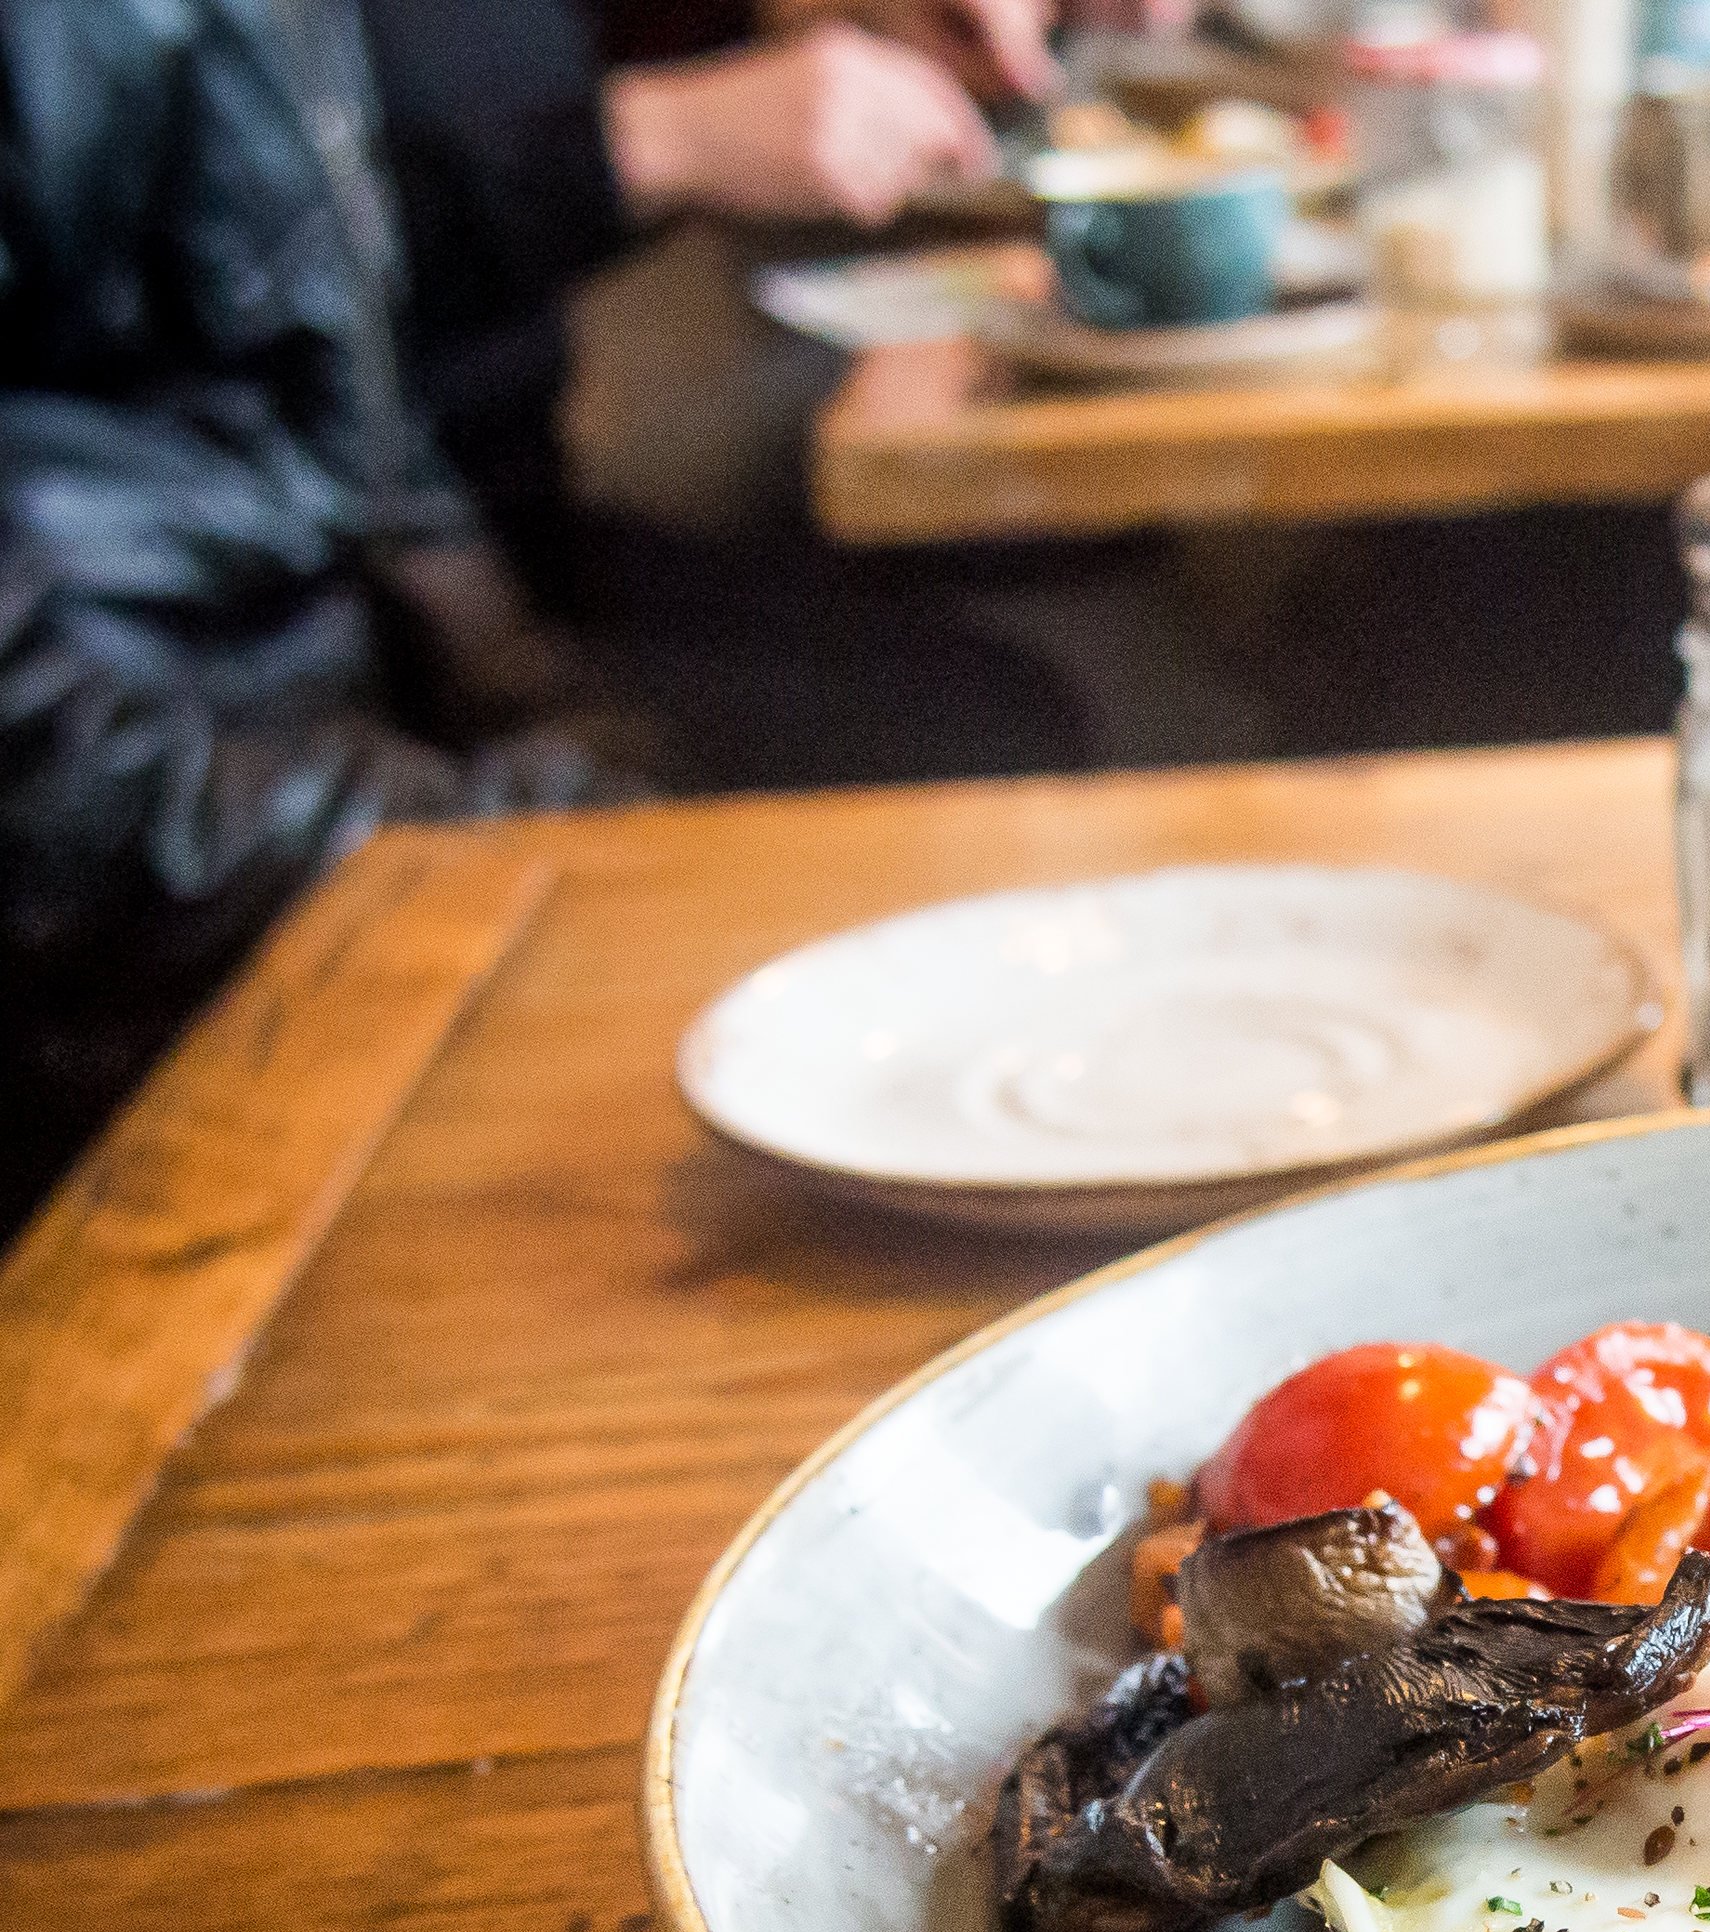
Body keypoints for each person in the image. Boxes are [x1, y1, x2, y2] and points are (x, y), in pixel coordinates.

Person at [0, 0, 1153, 1232]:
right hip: (140, 902)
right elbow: (55, 794)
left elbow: (342, 402)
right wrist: (486, 851)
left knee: (975, 851)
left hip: (299, 726)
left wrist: (563, 748)